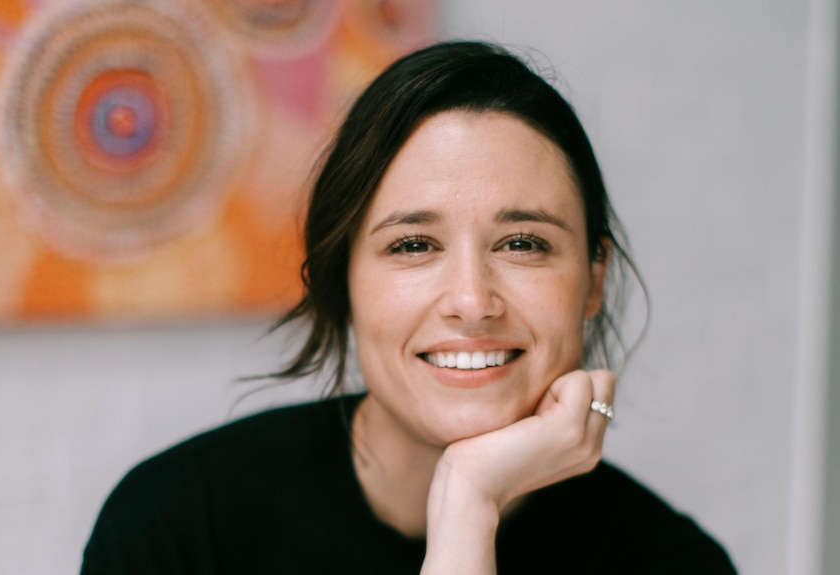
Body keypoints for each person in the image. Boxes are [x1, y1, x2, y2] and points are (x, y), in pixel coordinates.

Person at [81, 41, 737, 574]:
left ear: (593, 278)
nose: (473, 301)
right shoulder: (176, 529)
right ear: (342, 279)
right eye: (415, 244)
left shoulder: (670, 564)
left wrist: (466, 500)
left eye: (524, 242)